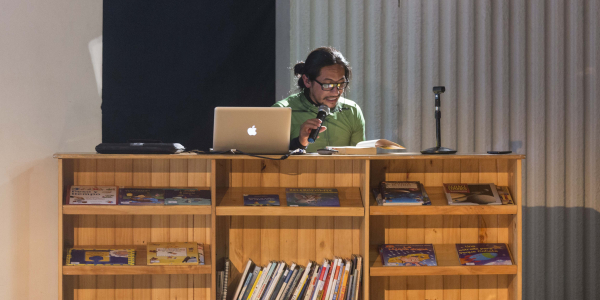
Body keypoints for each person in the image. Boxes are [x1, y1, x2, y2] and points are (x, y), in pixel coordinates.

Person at [272, 47, 366, 152]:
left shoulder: (352, 111)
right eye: (327, 84)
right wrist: (299, 143)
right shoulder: (282, 111)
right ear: (307, 80)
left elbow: (360, 160)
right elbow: (270, 161)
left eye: (341, 84)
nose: (336, 92)